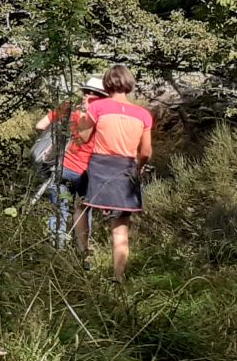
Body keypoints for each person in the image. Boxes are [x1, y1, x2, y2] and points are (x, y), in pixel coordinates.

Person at [81, 66, 153, 280]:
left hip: (100, 167)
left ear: (107, 83)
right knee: (120, 230)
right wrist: (137, 169)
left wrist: (85, 112)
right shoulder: (143, 114)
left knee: (81, 208)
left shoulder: (98, 108)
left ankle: (84, 256)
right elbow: (146, 152)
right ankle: (118, 277)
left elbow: (83, 137)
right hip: (126, 169)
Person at [35, 76, 106, 249]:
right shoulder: (104, 116)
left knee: (59, 210)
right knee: (83, 210)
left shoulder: (68, 108)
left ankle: (57, 250)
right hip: (87, 172)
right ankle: (82, 251)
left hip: (62, 167)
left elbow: (40, 125)